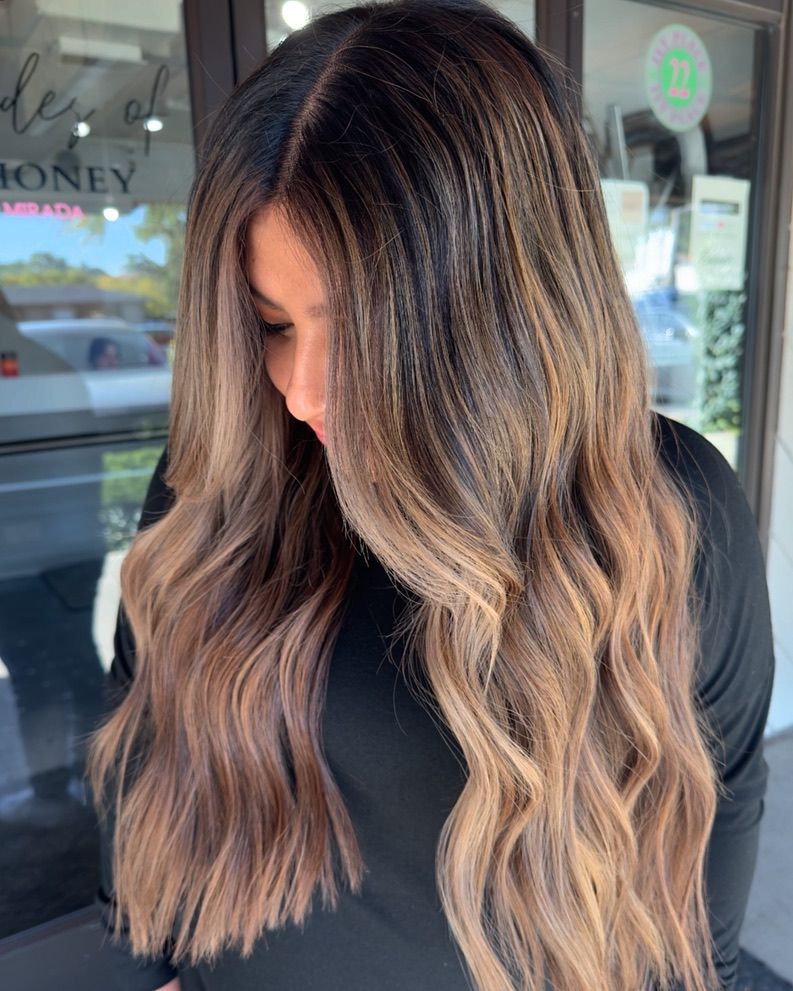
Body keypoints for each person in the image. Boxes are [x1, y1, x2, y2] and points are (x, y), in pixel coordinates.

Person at [85, 1, 775, 990]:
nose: (302, 389)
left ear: (504, 304)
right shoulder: (234, 474)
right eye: (271, 323)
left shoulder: (669, 511)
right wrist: (144, 964)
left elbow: (705, 857)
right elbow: (143, 737)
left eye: (354, 327)